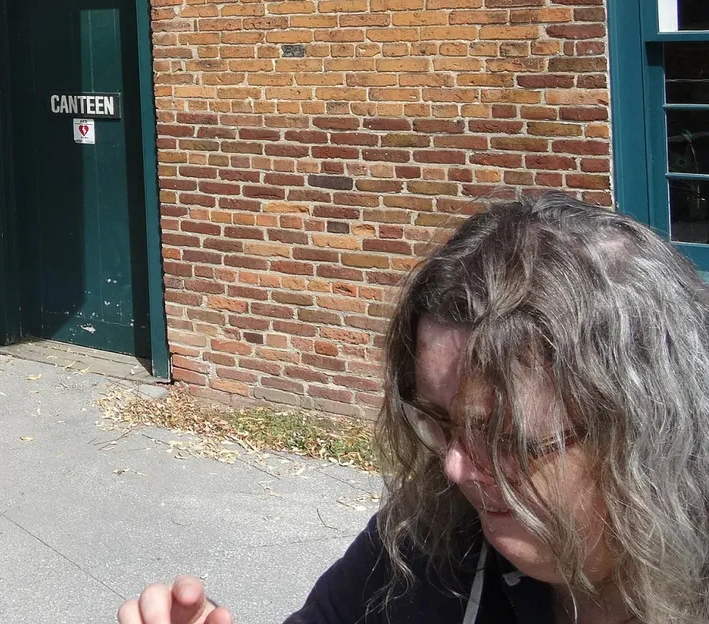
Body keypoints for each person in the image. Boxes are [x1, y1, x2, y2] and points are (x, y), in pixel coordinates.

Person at [120, 192, 709, 624]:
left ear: (645, 423)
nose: (455, 467)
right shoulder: (429, 541)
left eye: (505, 436)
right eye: (441, 422)